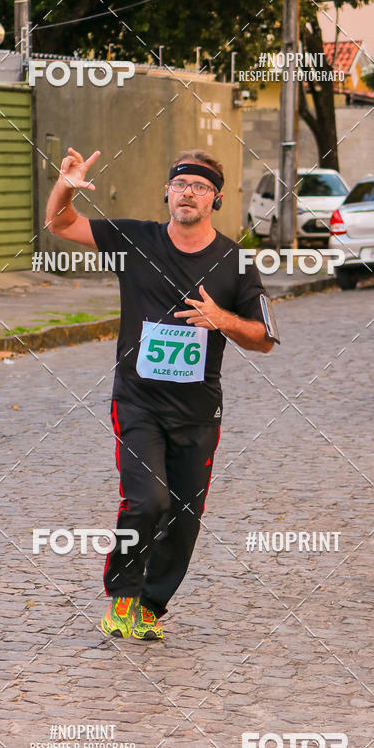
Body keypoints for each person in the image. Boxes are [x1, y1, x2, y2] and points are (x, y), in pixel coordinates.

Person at [46, 147, 276, 640]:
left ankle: (150, 605)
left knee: (185, 517)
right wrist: (65, 185)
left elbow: (264, 338)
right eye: (180, 184)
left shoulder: (234, 262)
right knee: (147, 500)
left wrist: (223, 320)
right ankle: (122, 595)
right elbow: (61, 225)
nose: (188, 192)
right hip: (138, 402)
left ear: (215, 198)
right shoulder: (135, 240)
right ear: (167, 192)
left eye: (200, 186)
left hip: (197, 411)